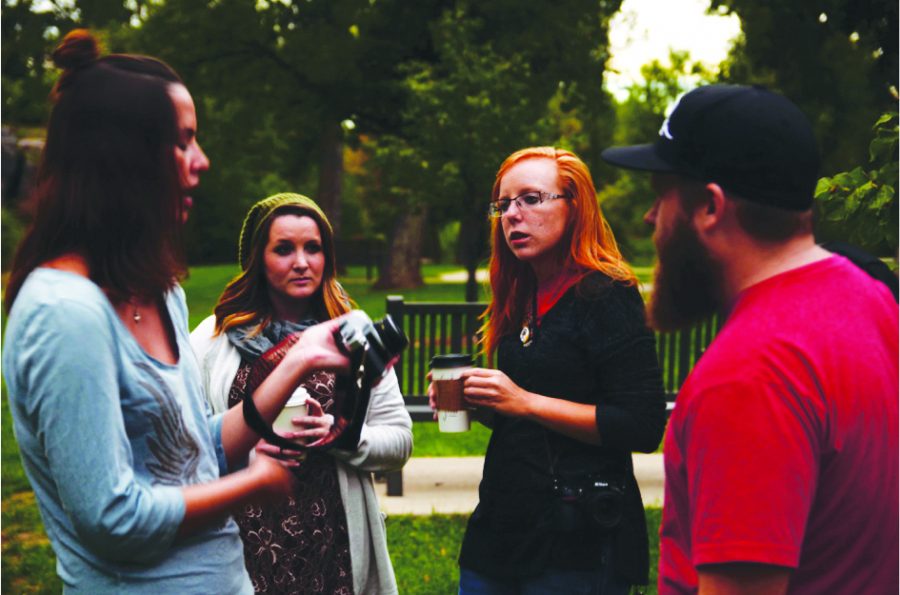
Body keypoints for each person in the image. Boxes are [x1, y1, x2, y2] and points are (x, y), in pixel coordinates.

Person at [2, 30, 351, 593]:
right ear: (125, 154)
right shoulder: (63, 313)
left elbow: (191, 450)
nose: (202, 161)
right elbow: (112, 520)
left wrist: (297, 360)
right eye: (184, 141)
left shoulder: (160, 290)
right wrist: (254, 485)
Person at [601, 84, 899, 594]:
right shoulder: (873, 301)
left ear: (711, 207)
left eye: (662, 195)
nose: (652, 219)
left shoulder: (748, 376)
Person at [432, 147, 667, 593]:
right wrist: (487, 405)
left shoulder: (606, 295)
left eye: (531, 199)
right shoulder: (522, 295)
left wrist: (523, 401)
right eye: (503, 205)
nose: (512, 215)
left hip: (573, 532)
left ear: (575, 207)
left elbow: (641, 425)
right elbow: (530, 414)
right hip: (503, 521)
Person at [190, 192, 413, 595]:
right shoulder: (211, 340)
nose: (301, 262)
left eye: (313, 248)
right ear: (257, 258)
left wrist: (342, 435)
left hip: (333, 539)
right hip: (243, 541)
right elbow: (186, 445)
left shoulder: (353, 335)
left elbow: (399, 440)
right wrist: (246, 453)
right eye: (283, 249)